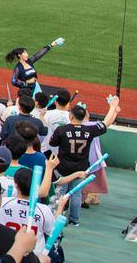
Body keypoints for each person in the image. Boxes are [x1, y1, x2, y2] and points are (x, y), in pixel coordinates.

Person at [47, 95, 120, 224]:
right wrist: (113, 107)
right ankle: (74, 220)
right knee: (76, 194)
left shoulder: (62, 129)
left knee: (60, 193)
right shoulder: (89, 129)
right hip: (81, 168)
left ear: (71, 116)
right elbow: (106, 123)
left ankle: (57, 216)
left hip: (63, 168)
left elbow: (52, 144)